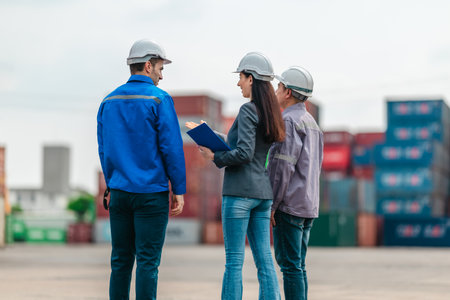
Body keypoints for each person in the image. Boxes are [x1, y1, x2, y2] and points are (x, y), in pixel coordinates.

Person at [186, 52, 284, 300]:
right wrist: (217, 137)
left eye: (240, 77)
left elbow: (244, 153)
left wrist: (214, 157)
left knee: (233, 262)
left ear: (251, 78)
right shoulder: (271, 113)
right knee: (264, 260)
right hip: (263, 195)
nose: (238, 82)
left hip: (239, 193)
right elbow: (249, 148)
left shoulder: (248, 110)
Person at [97, 39, 186, 300]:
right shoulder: (159, 99)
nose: (161, 73)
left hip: (120, 194)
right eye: (160, 67)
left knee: (120, 261)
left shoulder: (108, 101)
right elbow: (171, 147)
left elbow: (104, 150)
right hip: (151, 194)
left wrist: (113, 182)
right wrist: (178, 188)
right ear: (148, 65)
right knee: (147, 262)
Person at [267, 66, 323, 300]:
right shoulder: (312, 123)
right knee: (299, 266)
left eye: (279, 87)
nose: (276, 91)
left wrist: (271, 204)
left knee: (290, 267)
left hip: (288, 206)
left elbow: (282, 168)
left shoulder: (288, 122)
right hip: (308, 206)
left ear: (287, 92)